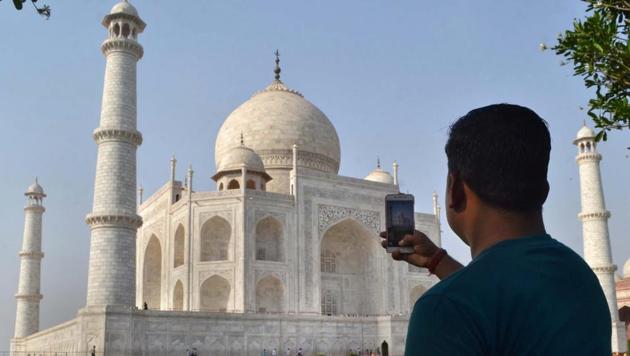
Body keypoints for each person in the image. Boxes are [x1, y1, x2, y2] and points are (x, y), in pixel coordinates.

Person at [382, 104, 612, 355]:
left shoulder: (442, 309)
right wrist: (438, 261)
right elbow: (510, 301)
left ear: (455, 189)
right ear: (544, 190)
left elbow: (486, 304)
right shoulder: (580, 277)